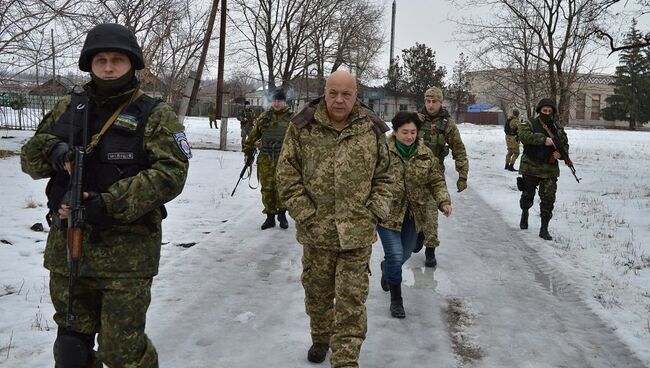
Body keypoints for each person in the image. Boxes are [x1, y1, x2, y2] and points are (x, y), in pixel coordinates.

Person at [20, 23, 190, 367]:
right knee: (70, 351)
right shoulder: (69, 107)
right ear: (90, 64)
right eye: (101, 60)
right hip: (69, 251)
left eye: (117, 59)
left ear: (132, 64)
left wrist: (107, 204)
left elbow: (170, 174)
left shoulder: (155, 114)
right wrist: (53, 149)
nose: (109, 67)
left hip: (126, 257)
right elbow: (30, 159)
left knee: (121, 352)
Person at [277, 70, 393, 367]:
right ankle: (320, 336)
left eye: (347, 94)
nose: (339, 100)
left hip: (357, 234)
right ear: (324, 92)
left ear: (357, 96)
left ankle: (345, 360)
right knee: (317, 296)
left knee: (352, 302)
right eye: (333, 93)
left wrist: (374, 211)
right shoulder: (302, 127)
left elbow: (385, 176)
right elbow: (287, 175)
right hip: (317, 233)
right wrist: (306, 214)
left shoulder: (371, 129)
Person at [377, 111, 452, 318]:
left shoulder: (425, 154)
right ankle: (396, 300)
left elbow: (436, 181)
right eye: (404, 132)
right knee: (394, 254)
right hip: (387, 213)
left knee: (406, 253)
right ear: (395, 132)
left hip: (412, 215)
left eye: (413, 132)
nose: (409, 136)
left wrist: (443, 201)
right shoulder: (382, 151)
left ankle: (387, 269)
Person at [417, 86, 468, 267]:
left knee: (431, 213)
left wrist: (463, 174)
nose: (430, 105)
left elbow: (459, 149)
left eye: (434, 102)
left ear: (440, 102)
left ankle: (430, 249)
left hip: (434, 174)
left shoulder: (447, 124)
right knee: (411, 213)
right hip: (413, 175)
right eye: (428, 101)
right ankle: (417, 235)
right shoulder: (415, 120)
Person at [517, 98, 569, 240]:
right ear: (539, 110)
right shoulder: (530, 124)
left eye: (549, 111)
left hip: (549, 169)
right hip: (531, 166)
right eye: (544, 110)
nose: (546, 113)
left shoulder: (557, 128)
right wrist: (543, 140)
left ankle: (544, 228)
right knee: (528, 194)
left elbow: (564, 144)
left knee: (548, 199)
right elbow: (523, 136)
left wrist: (561, 154)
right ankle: (525, 212)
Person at [243, 90, 293, 230]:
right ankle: (270, 217)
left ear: (285, 102)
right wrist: (247, 152)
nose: (276, 103)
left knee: (283, 189)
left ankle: (282, 215)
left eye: (280, 101)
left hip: (285, 160)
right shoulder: (264, 117)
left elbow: (300, 140)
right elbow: (252, 137)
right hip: (265, 160)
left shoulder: (292, 118)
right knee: (267, 189)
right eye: (274, 101)